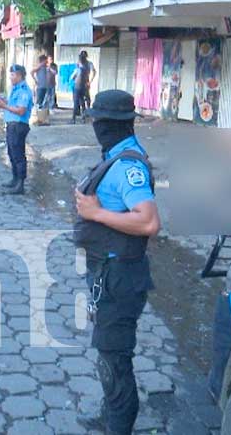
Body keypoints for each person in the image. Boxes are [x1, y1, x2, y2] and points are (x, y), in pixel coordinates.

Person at [73, 90, 160, 435]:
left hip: (120, 276)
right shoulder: (116, 154)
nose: (95, 125)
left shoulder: (128, 166)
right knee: (109, 352)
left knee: (114, 358)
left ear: (111, 124)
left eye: (99, 120)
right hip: (109, 274)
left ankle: (119, 426)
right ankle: (111, 415)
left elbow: (149, 221)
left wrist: (96, 212)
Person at [0, 64, 33, 195]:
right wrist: (0, 100)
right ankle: (15, 178)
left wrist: (4, 106)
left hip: (19, 125)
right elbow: (11, 103)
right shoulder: (14, 88)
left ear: (19, 75)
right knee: (11, 153)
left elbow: (20, 110)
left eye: (12, 75)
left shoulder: (24, 90)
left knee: (18, 154)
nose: (10, 77)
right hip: (11, 124)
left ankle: (20, 184)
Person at [70, 51, 91, 124]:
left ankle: (73, 119)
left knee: (76, 102)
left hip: (77, 86)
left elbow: (72, 77)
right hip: (84, 86)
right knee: (83, 102)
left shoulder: (78, 69)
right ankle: (83, 118)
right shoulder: (87, 67)